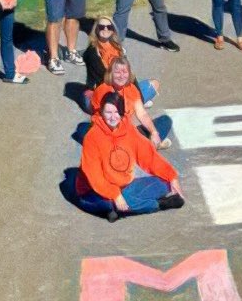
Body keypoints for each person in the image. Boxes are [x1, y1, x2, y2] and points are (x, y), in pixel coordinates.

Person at [74, 91, 183, 221]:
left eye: (116, 112)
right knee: (111, 203)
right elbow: (94, 176)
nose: (113, 117)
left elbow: (149, 157)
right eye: (108, 112)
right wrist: (114, 194)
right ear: (101, 112)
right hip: (96, 191)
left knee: (165, 183)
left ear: (122, 113)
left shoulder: (128, 130)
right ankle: (157, 204)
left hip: (124, 187)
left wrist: (171, 176)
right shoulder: (92, 137)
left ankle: (126, 205)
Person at [88, 56, 169, 149]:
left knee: (164, 122)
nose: (122, 76)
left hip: (125, 131)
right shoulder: (102, 91)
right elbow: (98, 121)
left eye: (125, 72)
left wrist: (154, 132)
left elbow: (142, 114)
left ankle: (146, 145)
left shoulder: (132, 89)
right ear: (110, 74)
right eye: (117, 72)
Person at [83, 16, 159, 111]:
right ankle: (130, 108)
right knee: (120, 104)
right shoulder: (92, 53)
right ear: (96, 29)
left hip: (119, 87)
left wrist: (139, 98)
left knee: (154, 84)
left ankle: (132, 106)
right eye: (101, 27)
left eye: (109, 27)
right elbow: (105, 82)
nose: (105, 29)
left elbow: (129, 74)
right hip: (101, 93)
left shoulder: (117, 47)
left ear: (113, 30)